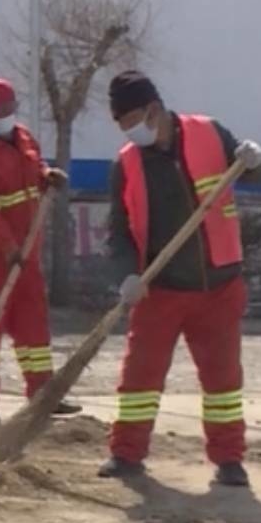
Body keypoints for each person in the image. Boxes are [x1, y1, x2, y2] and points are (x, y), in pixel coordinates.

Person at [101, 70, 261, 486]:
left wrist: (253, 160)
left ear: (154, 109)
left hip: (218, 285)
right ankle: (126, 454)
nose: (128, 130)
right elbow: (117, 232)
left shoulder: (209, 133)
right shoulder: (127, 163)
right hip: (160, 289)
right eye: (121, 124)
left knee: (223, 380)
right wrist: (126, 277)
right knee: (140, 377)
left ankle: (229, 460)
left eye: (132, 119)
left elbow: (252, 176)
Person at [0, 77, 79, 423]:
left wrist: (46, 175)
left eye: (5, 111)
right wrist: (8, 247)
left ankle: (43, 396)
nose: (1, 118)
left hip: (26, 252)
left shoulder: (23, 137)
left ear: (14, 109)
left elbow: (30, 171)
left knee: (33, 327)